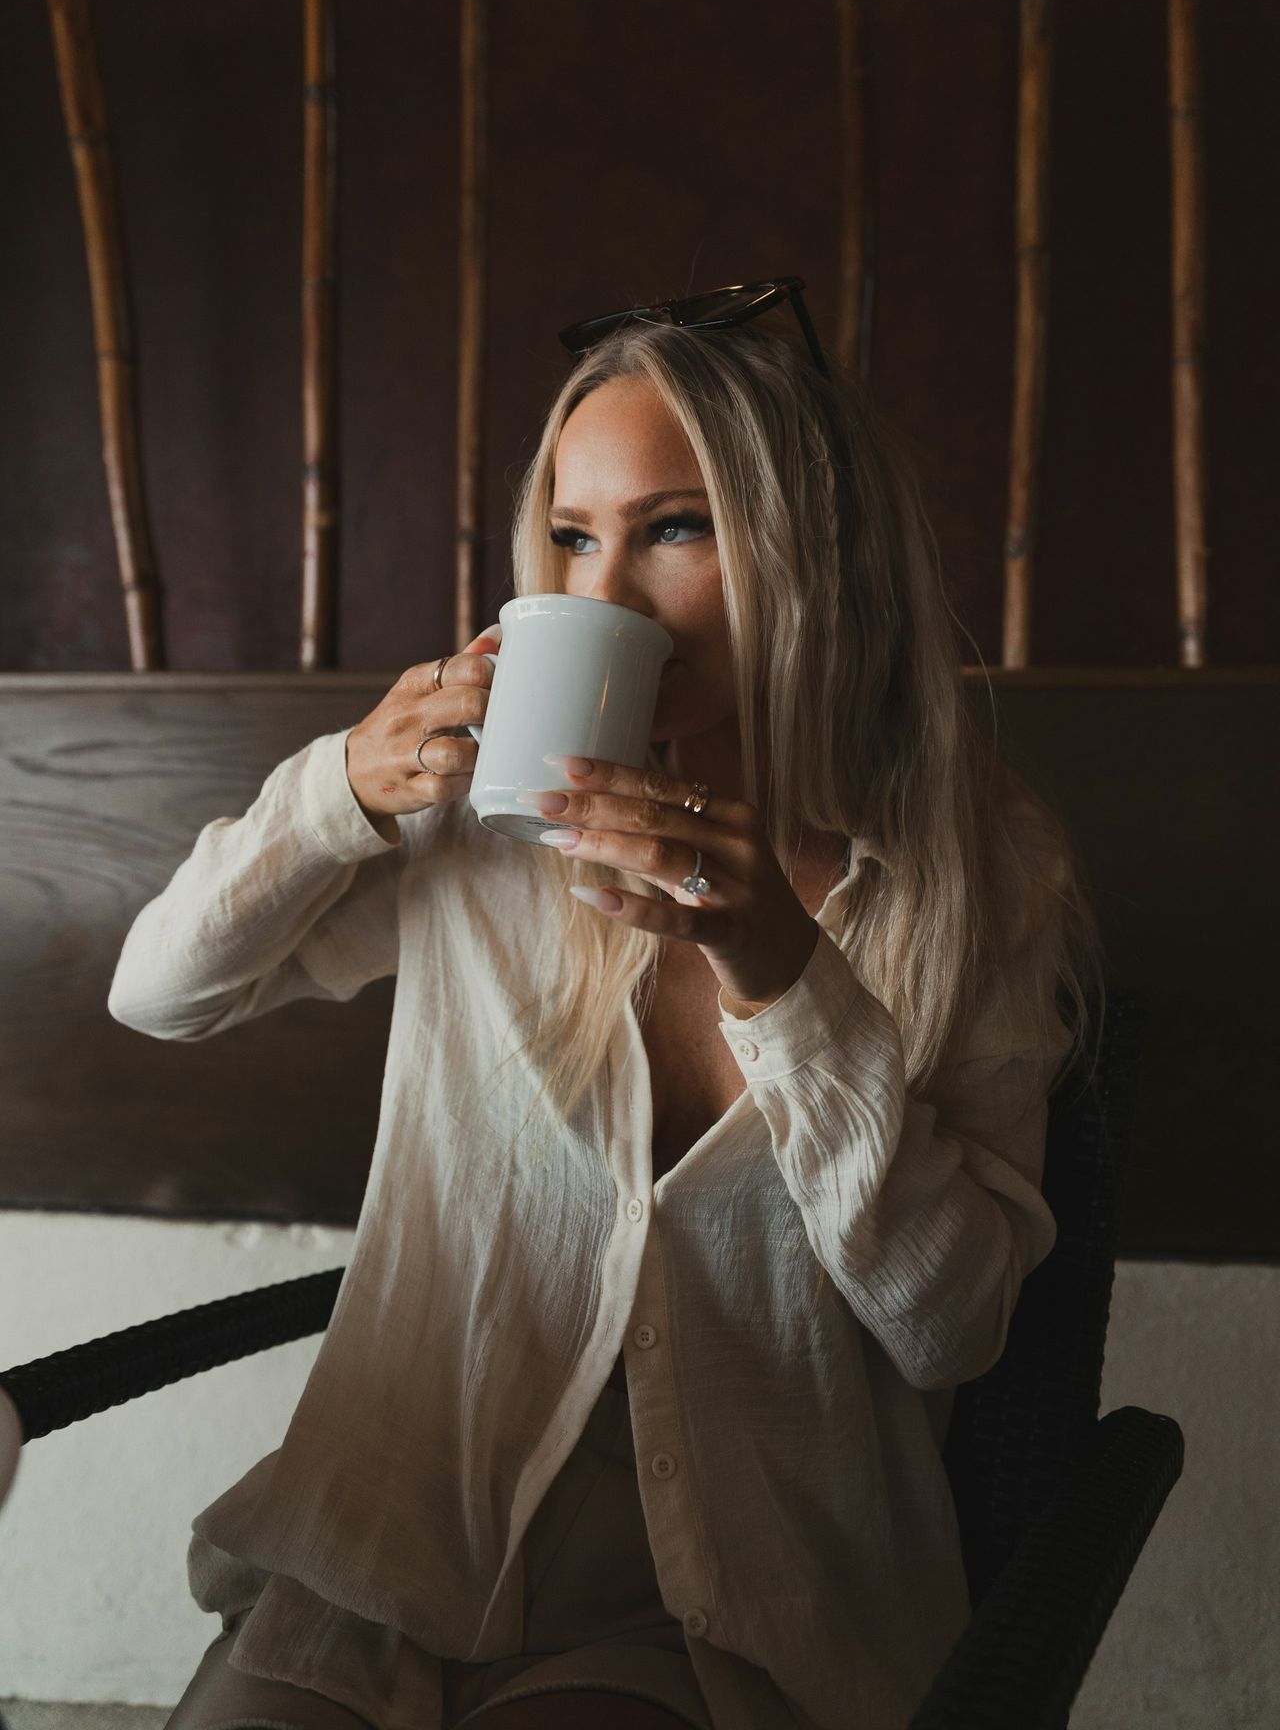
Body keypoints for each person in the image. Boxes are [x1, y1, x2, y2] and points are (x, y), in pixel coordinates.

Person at [111, 281, 1104, 1730]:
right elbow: (160, 993)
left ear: (816, 553)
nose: (604, 597)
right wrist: (339, 792)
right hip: (401, 1545)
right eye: (574, 538)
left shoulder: (970, 872)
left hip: (737, 1606)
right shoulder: (486, 824)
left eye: (675, 529)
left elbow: (949, 1330)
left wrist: (788, 981)